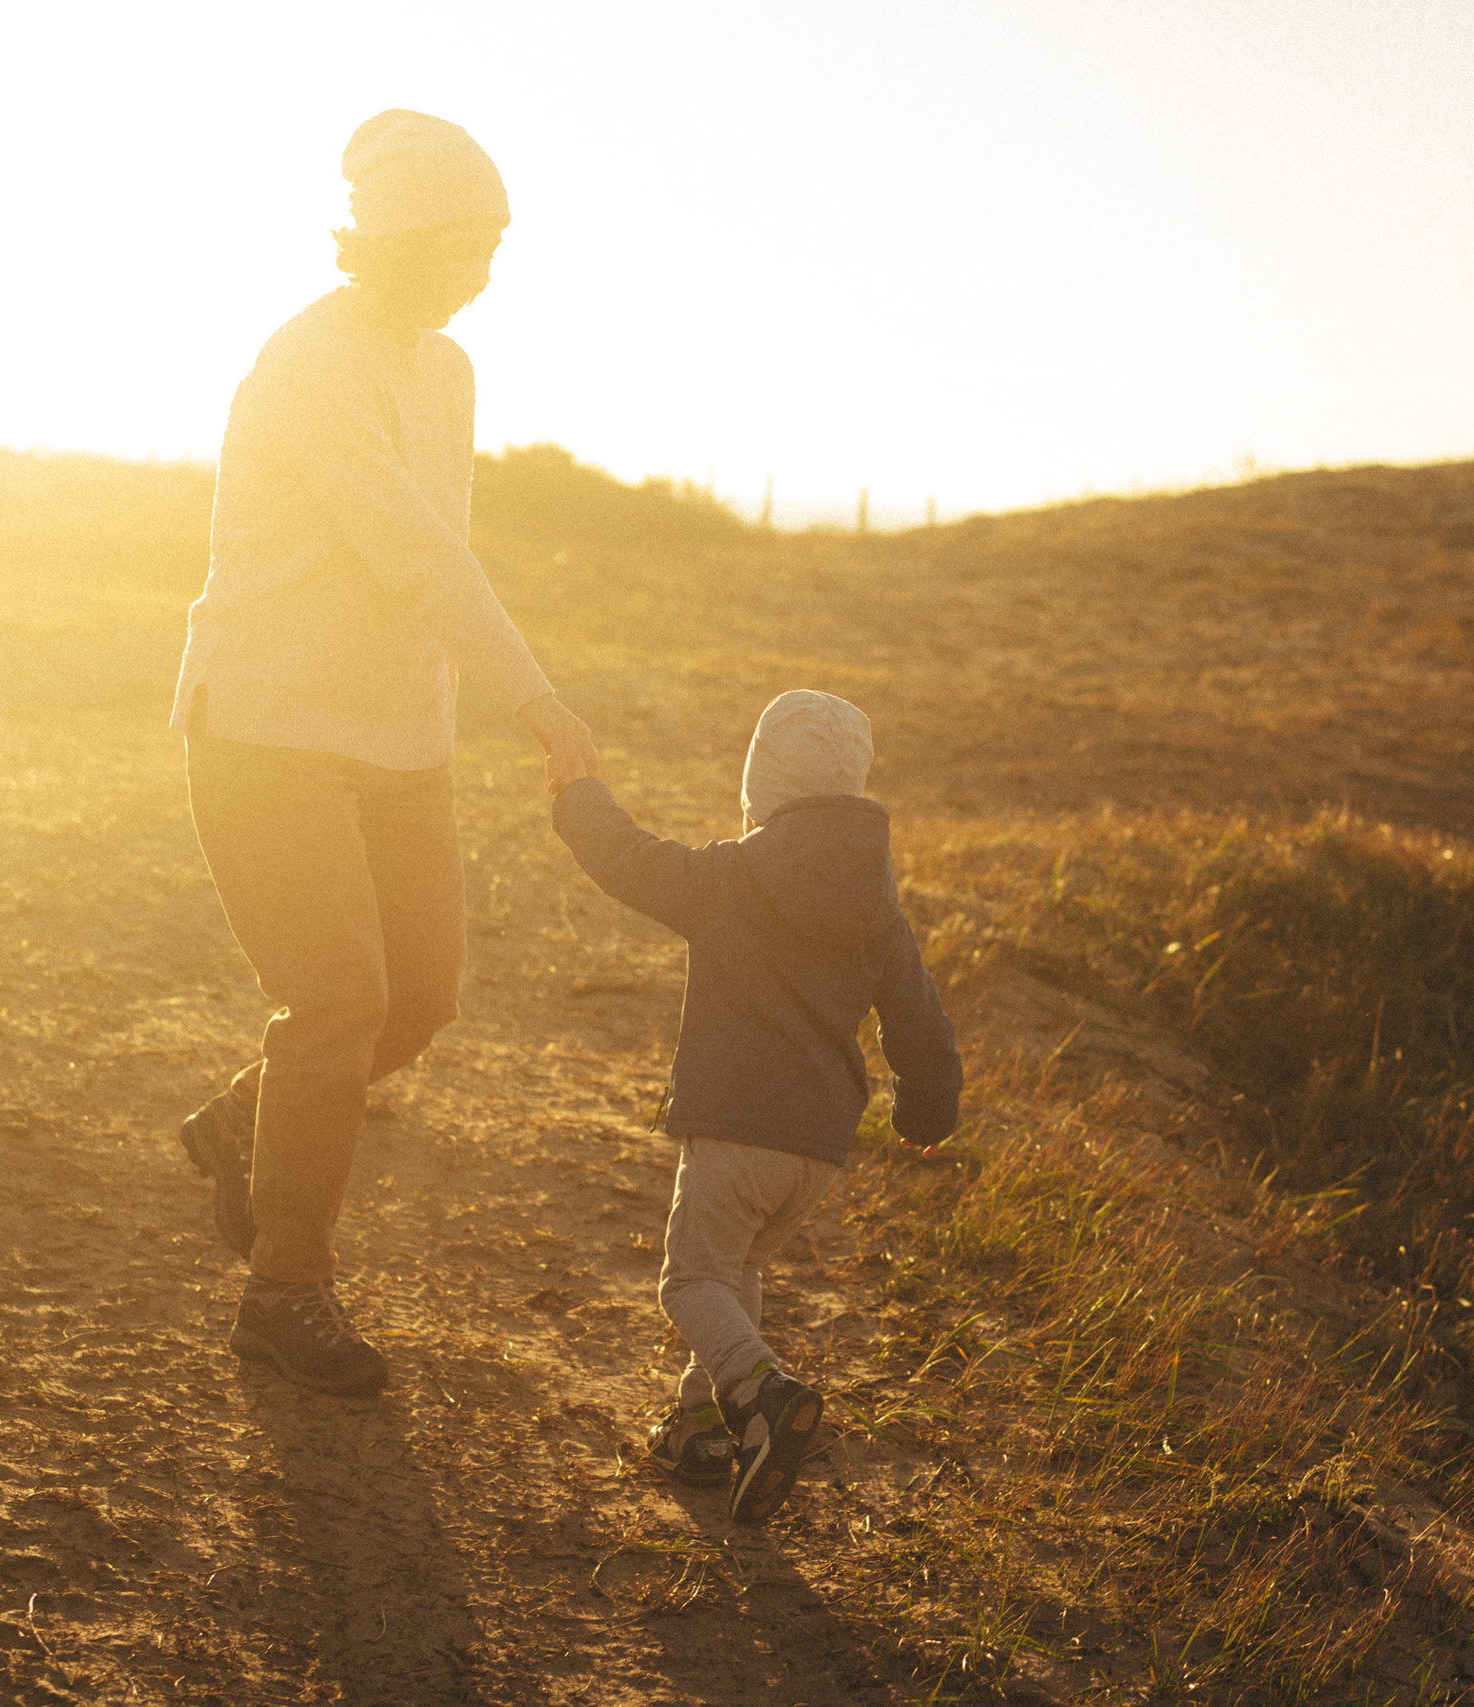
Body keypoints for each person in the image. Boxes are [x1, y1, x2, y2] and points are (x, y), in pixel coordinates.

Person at [168, 110, 599, 1397]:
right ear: (390, 241)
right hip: (265, 722)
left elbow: (436, 553)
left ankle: (244, 1122)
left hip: (396, 734)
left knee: (419, 998)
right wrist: (535, 698)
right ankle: (286, 1291)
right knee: (338, 1000)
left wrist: (452, 712)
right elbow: (414, 551)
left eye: (496, 244)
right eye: (463, 243)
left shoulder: (446, 369)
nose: (482, 270)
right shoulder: (311, 364)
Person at [552, 690, 962, 1523]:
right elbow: (920, 1023)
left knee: (692, 1278)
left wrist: (575, 795)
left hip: (734, 1128)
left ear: (760, 781)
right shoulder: (877, 911)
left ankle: (763, 1394)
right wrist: (925, 1112)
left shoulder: (730, 877)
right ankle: (700, 1426)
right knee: (738, 1272)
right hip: (816, 1151)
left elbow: (628, 858)